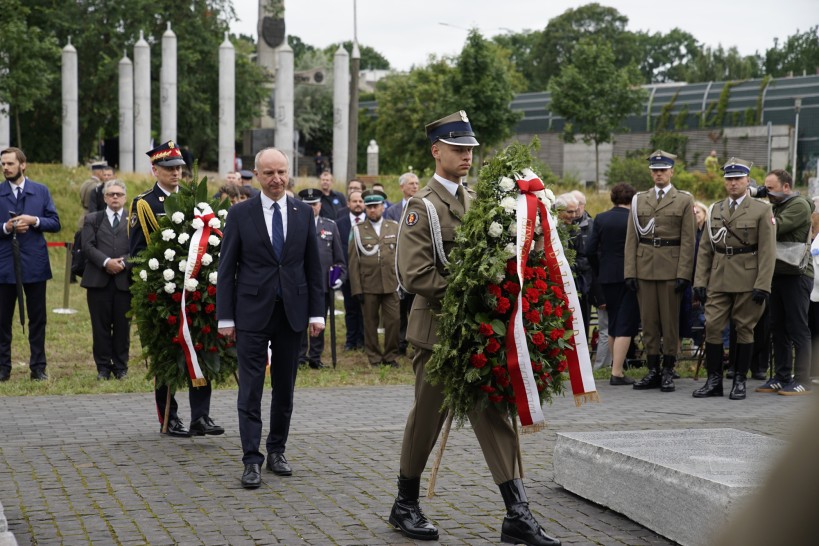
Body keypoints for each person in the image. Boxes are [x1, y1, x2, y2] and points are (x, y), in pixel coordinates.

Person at [390, 111, 560, 545]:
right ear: (436, 151)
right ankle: (404, 503)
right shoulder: (421, 206)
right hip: (438, 333)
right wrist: (476, 293)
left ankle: (517, 513)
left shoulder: (478, 201)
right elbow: (415, 275)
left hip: (479, 333)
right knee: (427, 419)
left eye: (470, 149)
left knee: (495, 415)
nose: (467, 156)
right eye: (458, 148)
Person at [216, 147, 325, 490]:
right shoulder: (240, 214)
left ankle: (277, 450)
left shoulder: (302, 213)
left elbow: (313, 267)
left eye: (281, 172)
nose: (276, 179)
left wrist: (316, 313)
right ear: (257, 175)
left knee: (285, 389)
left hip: (291, 313)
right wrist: (225, 319)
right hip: (251, 313)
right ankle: (251, 459)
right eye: (269, 174)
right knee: (250, 389)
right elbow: (227, 268)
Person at [130, 140, 224, 438]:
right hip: (164, 292)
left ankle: (201, 416)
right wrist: (153, 290)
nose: (176, 173)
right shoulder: (145, 204)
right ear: (154, 169)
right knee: (166, 355)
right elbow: (139, 252)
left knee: (201, 348)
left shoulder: (195, 201)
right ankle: (169, 418)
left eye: (180, 168)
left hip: (196, 289)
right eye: (169, 168)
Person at [691, 158, 776, 400]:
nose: (733, 183)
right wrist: (700, 281)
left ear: (747, 180)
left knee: (744, 329)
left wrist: (763, 284)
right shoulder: (716, 209)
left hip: (748, 280)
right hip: (718, 278)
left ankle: (739, 380)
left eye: (738, 178)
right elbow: (706, 248)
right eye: (729, 179)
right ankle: (714, 380)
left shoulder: (762, 209)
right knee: (713, 328)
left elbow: (768, 252)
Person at [625, 150, 696, 393]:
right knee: (649, 323)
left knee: (670, 322)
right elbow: (632, 239)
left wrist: (684, 273)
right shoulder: (639, 199)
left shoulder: (684, 200)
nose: (658, 174)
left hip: (671, 267)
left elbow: (689, 240)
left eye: (663, 170)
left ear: (671, 172)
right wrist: (630, 272)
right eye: (655, 171)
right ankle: (653, 369)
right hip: (645, 267)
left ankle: (668, 370)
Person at [0, 147, 61, 382]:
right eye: (3, 164)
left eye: (10, 164)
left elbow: (55, 222)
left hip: (34, 263)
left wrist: (34, 220)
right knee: (2, 320)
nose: (5, 168)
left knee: (38, 319)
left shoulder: (40, 191)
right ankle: (3, 367)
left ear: (23, 165)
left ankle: (38, 367)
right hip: (5, 265)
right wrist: (6, 228)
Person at [755, 169, 814, 395]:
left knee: (798, 328)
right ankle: (781, 376)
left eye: (770, 188)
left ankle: (803, 380)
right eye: (765, 188)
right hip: (777, 273)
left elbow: (773, 226)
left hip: (797, 275)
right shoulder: (776, 204)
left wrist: (758, 206)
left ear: (786, 187)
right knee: (777, 327)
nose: (766, 192)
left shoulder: (799, 205)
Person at [586, 183, 639, 385]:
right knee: (625, 323)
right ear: (632, 199)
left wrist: (600, 269)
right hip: (629, 275)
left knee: (614, 320)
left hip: (607, 275)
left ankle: (613, 366)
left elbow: (590, 250)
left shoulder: (601, 218)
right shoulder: (634, 220)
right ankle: (617, 372)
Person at [81, 179, 132, 380]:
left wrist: (124, 263)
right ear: (104, 197)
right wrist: (106, 262)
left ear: (125, 197)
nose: (115, 198)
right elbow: (87, 246)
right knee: (100, 326)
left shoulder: (133, 220)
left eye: (119, 194)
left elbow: (140, 249)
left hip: (124, 281)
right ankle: (103, 367)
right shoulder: (93, 219)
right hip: (98, 282)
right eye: (111, 194)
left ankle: (121, 367)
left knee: (122, 327)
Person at [348, 189, 400, 367]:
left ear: (383, 207)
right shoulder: (357, 230)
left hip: (391, 283)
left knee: (393, 321)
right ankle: (374, 357)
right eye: (369, 207)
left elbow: (401, 256)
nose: (372, 210)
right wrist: (356, 289)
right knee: (370, 323)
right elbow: (353, 262)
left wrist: (403, 282)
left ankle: (391, 355)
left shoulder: (394, 227)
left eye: (375, 206)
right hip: (368, 284)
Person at [297, 187, 346, 369]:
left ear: (320, 205)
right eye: (307, 205)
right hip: (299, 283)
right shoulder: (294, 225)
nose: (311, 208)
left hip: (322, 284)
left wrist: (338, 277)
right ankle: (300, 356)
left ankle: (315, 357)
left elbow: (339, 259)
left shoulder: (330, 226)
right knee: (299, 320)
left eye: (314, 204)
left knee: (319, 320)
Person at [384, 172, 420, 354]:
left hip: (417, 265)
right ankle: (400, 344)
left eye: (417, 183)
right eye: (411, 183)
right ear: (402, 187)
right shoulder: (392, 211)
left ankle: (417, 344)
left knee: (416, 308)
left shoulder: (423, 208)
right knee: (399, 309)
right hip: (397, 266)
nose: (415, 186)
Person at [336, 190, 366, 351]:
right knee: (351, 309)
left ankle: (364, 340)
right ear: (348, 204)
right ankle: (351, 340)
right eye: (354, 201)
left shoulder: (370, 222)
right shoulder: (339, 224)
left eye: (361, 201)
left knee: (365, 310)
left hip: (366, 275)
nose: (358, 204)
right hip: (347, 274)